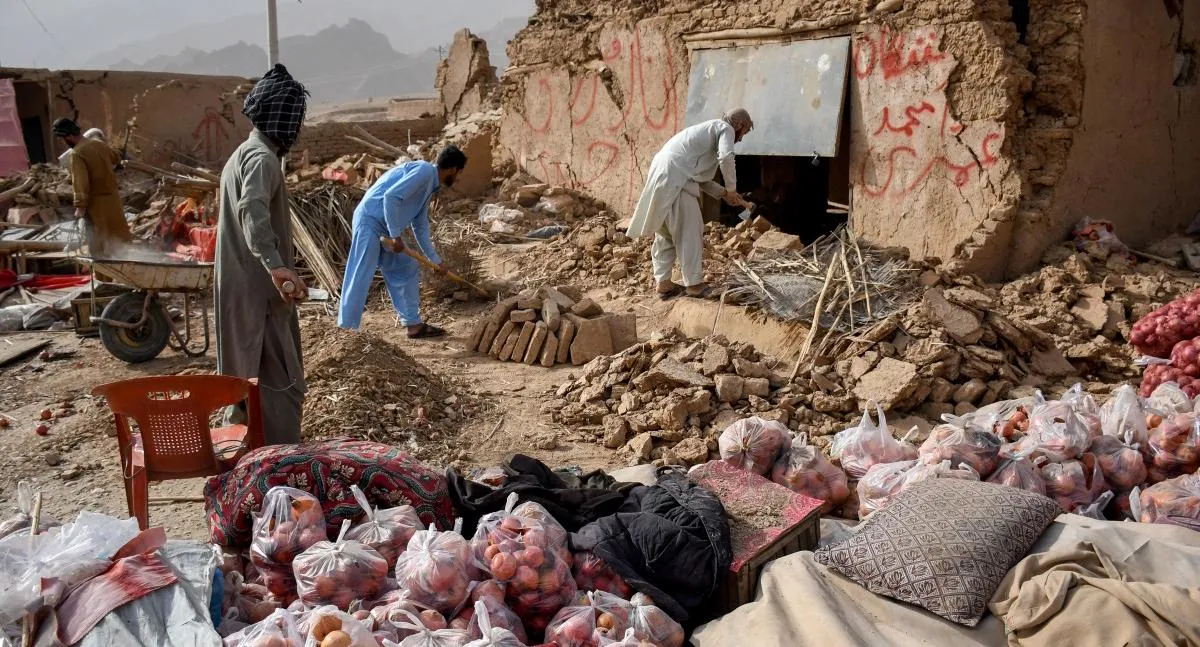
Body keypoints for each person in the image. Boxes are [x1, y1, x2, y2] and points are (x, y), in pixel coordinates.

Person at [215, 64, 309, 445]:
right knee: (280, 391)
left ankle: (241, 464)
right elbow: (251, 210)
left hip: (240, 296)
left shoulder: (241, 155)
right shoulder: (262, 160)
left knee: (243, 391)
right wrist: (276, 266)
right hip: (261, 300)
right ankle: (279, 467)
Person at [337, 145, 468, 338]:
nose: (458, 178)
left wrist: (435, 260)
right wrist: (396, 236)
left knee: (406, 265)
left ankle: (413, 325)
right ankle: (345, 331)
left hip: (385, 228)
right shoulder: (424, 171)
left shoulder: (429, 185)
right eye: (459, 173)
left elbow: (420, 226)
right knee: (361, 273)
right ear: (453, 169)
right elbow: (390, 197)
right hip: (370, 221)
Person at [627, 108, 754, 299]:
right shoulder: (725, 128)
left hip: (663, 174)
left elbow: (701, 180)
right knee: (690, 230)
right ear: (739, 124)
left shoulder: (706, 134)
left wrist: (725, 194)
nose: (741, 138)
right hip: (677, 179)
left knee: (666, 233)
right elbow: (726, 157)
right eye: (743, 132)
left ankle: (663, 282)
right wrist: (731, 187)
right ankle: (694, 285)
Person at [53, 118, 133, 257]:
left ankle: (103, 271)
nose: (64, 142)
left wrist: (80, 206)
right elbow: (116, 158)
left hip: (96, 205)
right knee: (118, 239)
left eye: (63, 139)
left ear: (68, 136)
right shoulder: (99, 144)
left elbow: (81, 182)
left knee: (98, 245)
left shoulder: (77, 153)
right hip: (114, 201)